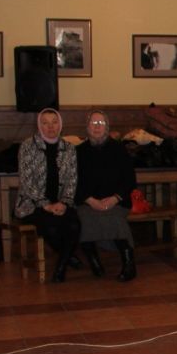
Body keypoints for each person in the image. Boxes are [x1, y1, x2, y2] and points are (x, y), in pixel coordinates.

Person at [14, 108, 81, 283]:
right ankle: (67, 257)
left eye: (54, 122)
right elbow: (27, 182)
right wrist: (46, 204)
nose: (50, 127)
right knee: (51, 227)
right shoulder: (28, 146)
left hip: (61, 203)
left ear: (60, 125)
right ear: (39, 126)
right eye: (45, 123)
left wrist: (64, 202)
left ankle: (61, 267)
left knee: (74, 225)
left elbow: (72, 180)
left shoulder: (69, 148)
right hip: (33, 205)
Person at [75, 110, 138, 281]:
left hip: (116, 201)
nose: (97, 127)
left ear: (107, 128)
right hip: (87, 201)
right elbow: (72, 182)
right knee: (84, 218)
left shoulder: (119, 149)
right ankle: (94, 261)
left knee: (114, 217)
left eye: (101, 123)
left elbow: (130, 180)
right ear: (87, 127)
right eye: (93, 123)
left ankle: (129, 263)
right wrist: (90, 201)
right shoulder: (78, 152)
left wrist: (115, 198)